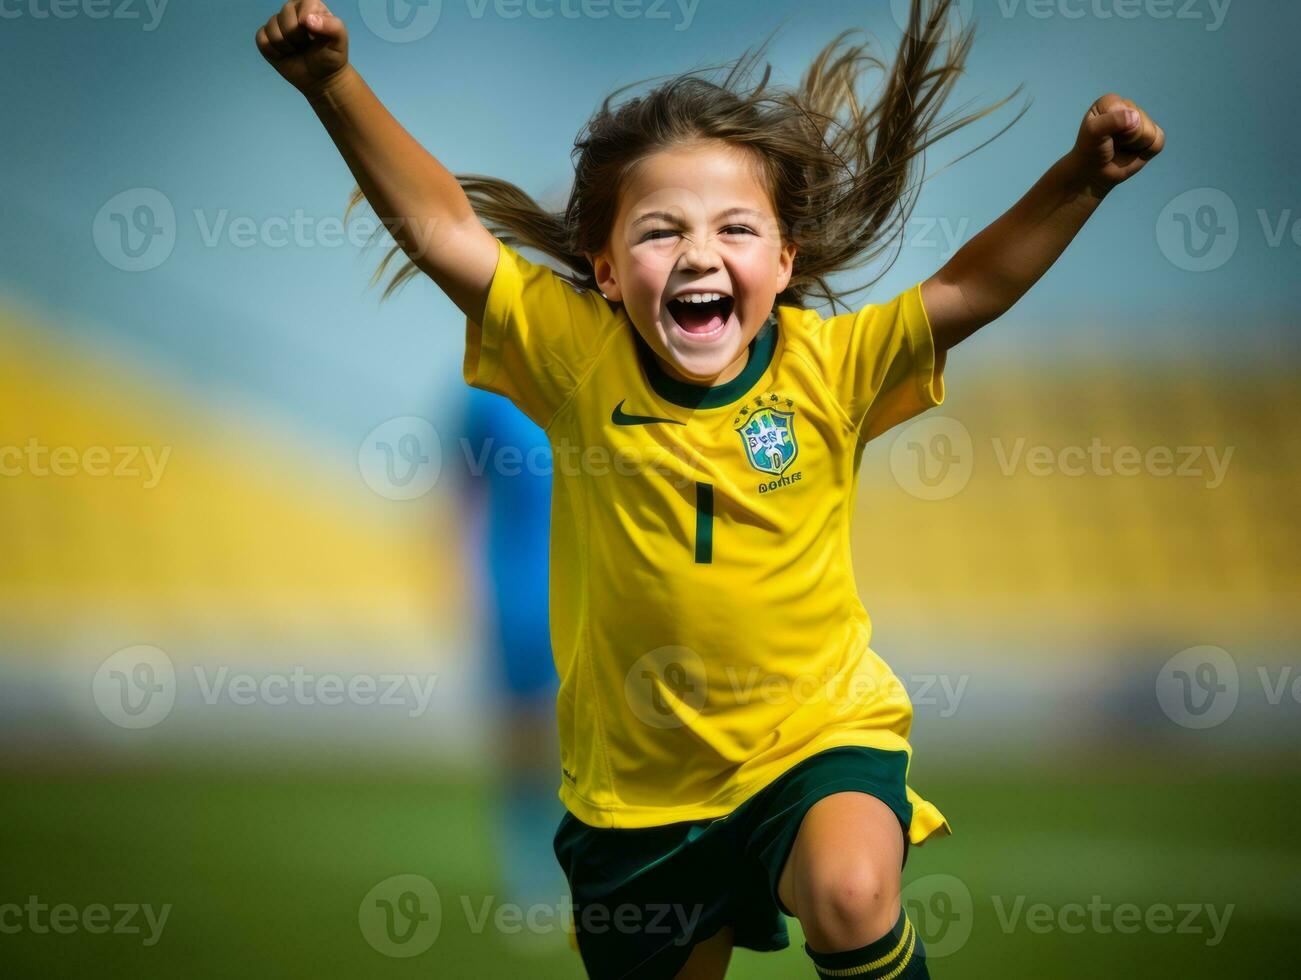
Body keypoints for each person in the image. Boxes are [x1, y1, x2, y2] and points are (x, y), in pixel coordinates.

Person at [256, 1, 1164, 975]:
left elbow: (968, 288)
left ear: (783, 261)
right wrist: (333, 85)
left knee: (852, 891)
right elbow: (442, 230)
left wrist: (1079, 179)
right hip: (636, 790)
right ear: (603, 270)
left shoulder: (833, 366)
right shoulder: (570, 358)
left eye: (734, 226)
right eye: (658, 231)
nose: (697, 252)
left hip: (812, 733)